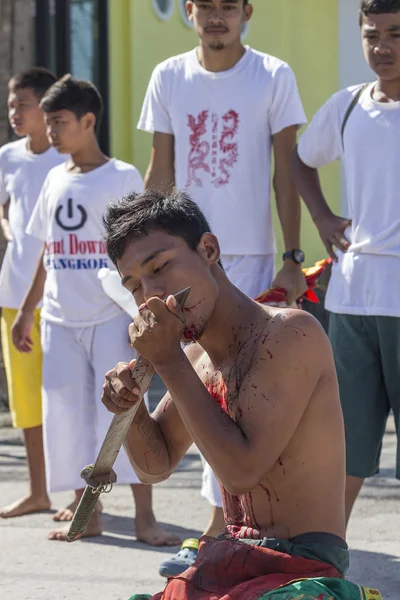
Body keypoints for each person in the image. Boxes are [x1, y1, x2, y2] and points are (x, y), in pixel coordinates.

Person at [100, 189, 382, 600]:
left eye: (160, 267)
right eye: (134, 287)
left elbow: (240, 471)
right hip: (230, 561)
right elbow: (155, 465)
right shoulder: (195, 357)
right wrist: (130, 411)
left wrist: (167, 361)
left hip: (302, 570)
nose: (150, 296)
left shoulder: (290, 334)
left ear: (209, 249)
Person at [138, 0, 307, 571]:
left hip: (251, 263)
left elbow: (287, 171)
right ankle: (222, 527)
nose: (215, 16)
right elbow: (160, 173)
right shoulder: (168, 76)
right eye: (204, 5)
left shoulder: (273, 75)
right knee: (194, 392)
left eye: (226, 6)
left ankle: (234, 528)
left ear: (246, 11)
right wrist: (142, 265)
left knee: (240, 394)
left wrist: (292, 256)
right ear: (188, 10)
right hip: (183, 267)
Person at [11, 75, 180, 547]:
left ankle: (145, 518)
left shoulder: (122, 177)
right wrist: (28, 312)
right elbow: (49, 251)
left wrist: (146, 307)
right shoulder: (52, 178)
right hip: (60, 321)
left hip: (110, 316)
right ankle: (90, 513)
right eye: (48, 123)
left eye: (59, 122)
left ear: (88, 121)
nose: (51, 132)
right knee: (67, 418)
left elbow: (140, 251)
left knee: (126, 414)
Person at [291, 0, 400, 527]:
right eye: (372, 35)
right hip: (353, 299)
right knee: (344, 448)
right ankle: (324, 561)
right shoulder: (349, 105)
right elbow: (299, 159)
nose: (383, 47)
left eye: (396, 34)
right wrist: (323, 218)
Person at [0, 67, 64, 519]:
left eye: (21, 103)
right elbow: (6, 208)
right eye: (10, 103)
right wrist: (12, 230)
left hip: (61, 298)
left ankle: (84, 497)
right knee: (26, 401)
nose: (13, 112)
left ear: (45, 109)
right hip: (12, 295)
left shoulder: (67, 160)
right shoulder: (7, 156)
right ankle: (38, 491)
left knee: (67, 398)